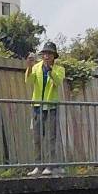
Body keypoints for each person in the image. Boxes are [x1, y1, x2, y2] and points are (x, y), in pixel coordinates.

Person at [25, 41, 65, 175]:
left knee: (51, 137)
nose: (46, 56)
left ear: (54, 56)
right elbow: (29, 81)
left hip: (51, 106)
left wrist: (50, 70)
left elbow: (58, 82)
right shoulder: (36, 67)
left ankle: (50, 166)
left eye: (49, 54)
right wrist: (29, 67)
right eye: (45, 53)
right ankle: (38, 166)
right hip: (37, 106)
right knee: (37, 138)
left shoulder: (59, 69)